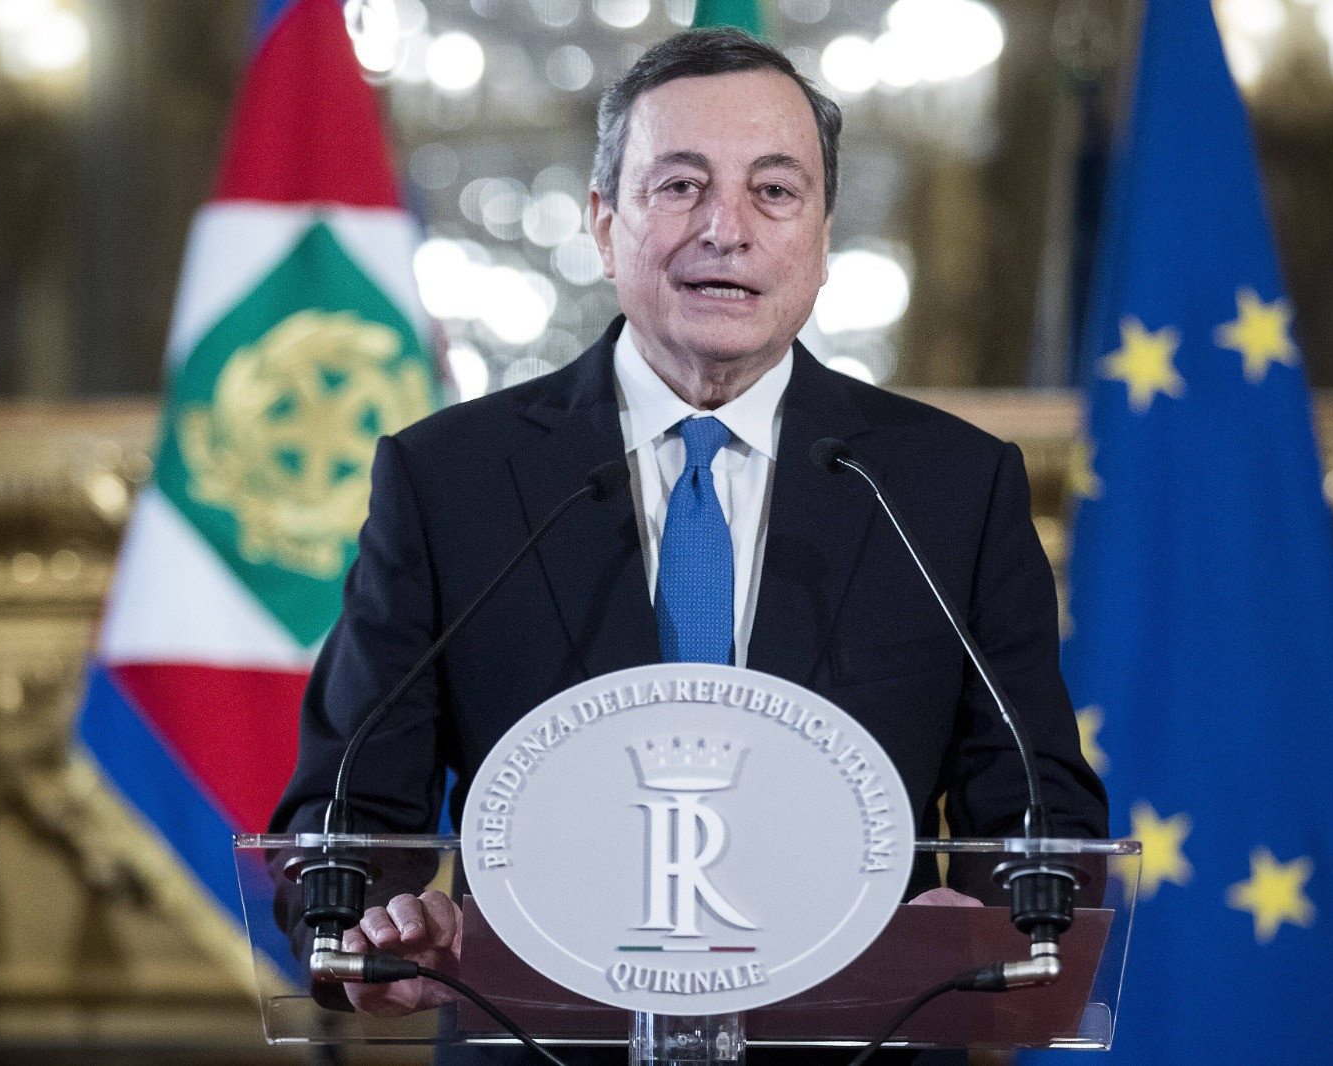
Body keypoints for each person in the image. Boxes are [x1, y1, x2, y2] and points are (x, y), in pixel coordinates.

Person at [270, 25, 1107, 1059]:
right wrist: (375, 925)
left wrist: (993, 923)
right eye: (680, 186)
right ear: (603, 223)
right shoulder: (451, 481)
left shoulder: (947, 487)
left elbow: (1034, 805)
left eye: (774, 191)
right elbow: (345, 807)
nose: (727, 229)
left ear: (822, 237)